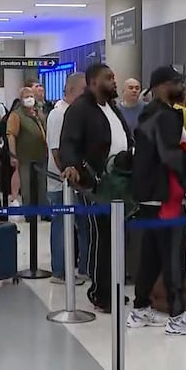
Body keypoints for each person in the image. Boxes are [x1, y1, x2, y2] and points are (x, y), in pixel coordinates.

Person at [126, 65, 186, 337]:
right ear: (163, 85)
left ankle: (140, 307)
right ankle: (177, 314)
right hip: (166, 196)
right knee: (173, 255)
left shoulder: (148, 114)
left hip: (149, 196)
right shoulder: (167, 117)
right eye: (177, 83)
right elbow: (171, 156)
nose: (183, 88)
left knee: (151, 256)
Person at [57, 63, 131, 312]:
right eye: (108, 78)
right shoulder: (80, 110)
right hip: (95, 183)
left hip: (120, 182)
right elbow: (68, 142)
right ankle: (101, 292)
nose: (114, 81)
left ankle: (115, 287)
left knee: (118, 237)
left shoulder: (111, 107)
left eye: (113, 77)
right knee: (102, 236)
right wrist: (71, 165)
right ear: (93, 83)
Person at [46, 72, 89, 285]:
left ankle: (83, 268)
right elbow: (56, 151)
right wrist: (68, 175)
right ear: (71, 90)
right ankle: (60, 271)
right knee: (62, 226)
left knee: (82, 225)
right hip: (60, 183)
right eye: (83, 90)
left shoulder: (75, 113)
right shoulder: (58, 114)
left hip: (75, 183)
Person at [7, 86, 47, 209]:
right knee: (27, 186)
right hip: (25, 156)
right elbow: (11, 135)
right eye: (26, 97)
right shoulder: (16, 115)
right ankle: (29, 212)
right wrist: (13, 155)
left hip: (40, 155)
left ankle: (44, 209)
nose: (29, 99)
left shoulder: (38, 114)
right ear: (21, 99)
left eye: (31, 96)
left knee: (42, 184)